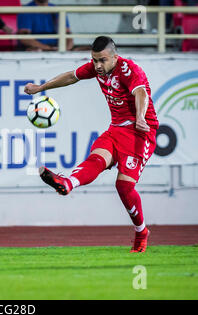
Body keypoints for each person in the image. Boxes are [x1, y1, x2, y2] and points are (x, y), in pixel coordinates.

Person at [24, 36, 159, 253]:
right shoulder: (98, 68)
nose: (98, 65)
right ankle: (67, 183)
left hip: (140, 132)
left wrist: (141, 117)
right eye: (94, 60)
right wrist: (41, 88)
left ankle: (141, 231)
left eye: (102, 60)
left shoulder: (129, 70)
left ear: (115, 57)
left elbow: (140, 93)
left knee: (124, 187)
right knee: (96, 158)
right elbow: (71, 76)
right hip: (116, 129)